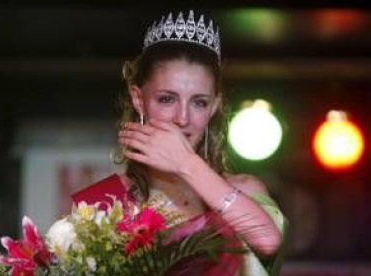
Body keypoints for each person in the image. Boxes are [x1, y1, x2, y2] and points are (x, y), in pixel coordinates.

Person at [72, 10, 287, 276]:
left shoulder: (244, 189)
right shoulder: (104, 205)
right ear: (139, 99)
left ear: (213, 108)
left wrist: (185, 163)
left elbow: (267, 241)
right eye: (166, 99)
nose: (182, 118)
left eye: (199, 102)